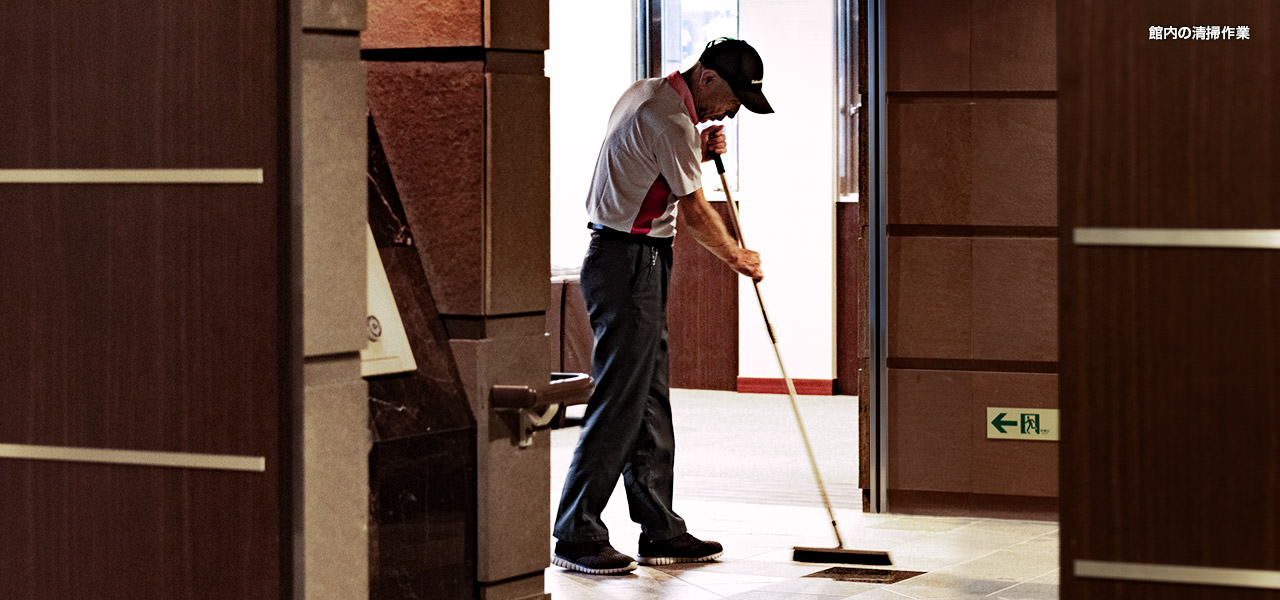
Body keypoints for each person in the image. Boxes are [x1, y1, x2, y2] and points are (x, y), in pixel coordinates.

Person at [552, 38, 774, 575]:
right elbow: (695, 211)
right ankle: (576, 534)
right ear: (706, 79)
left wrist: (698, 149)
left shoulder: (646, 94)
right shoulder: (670, 118)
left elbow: (644, 162)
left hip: (631, 259)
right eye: (732, 98)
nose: (733, 112)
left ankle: (660, 529)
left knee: (650, 397)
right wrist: (736, 256)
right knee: (621, 400)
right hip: (628, 261)